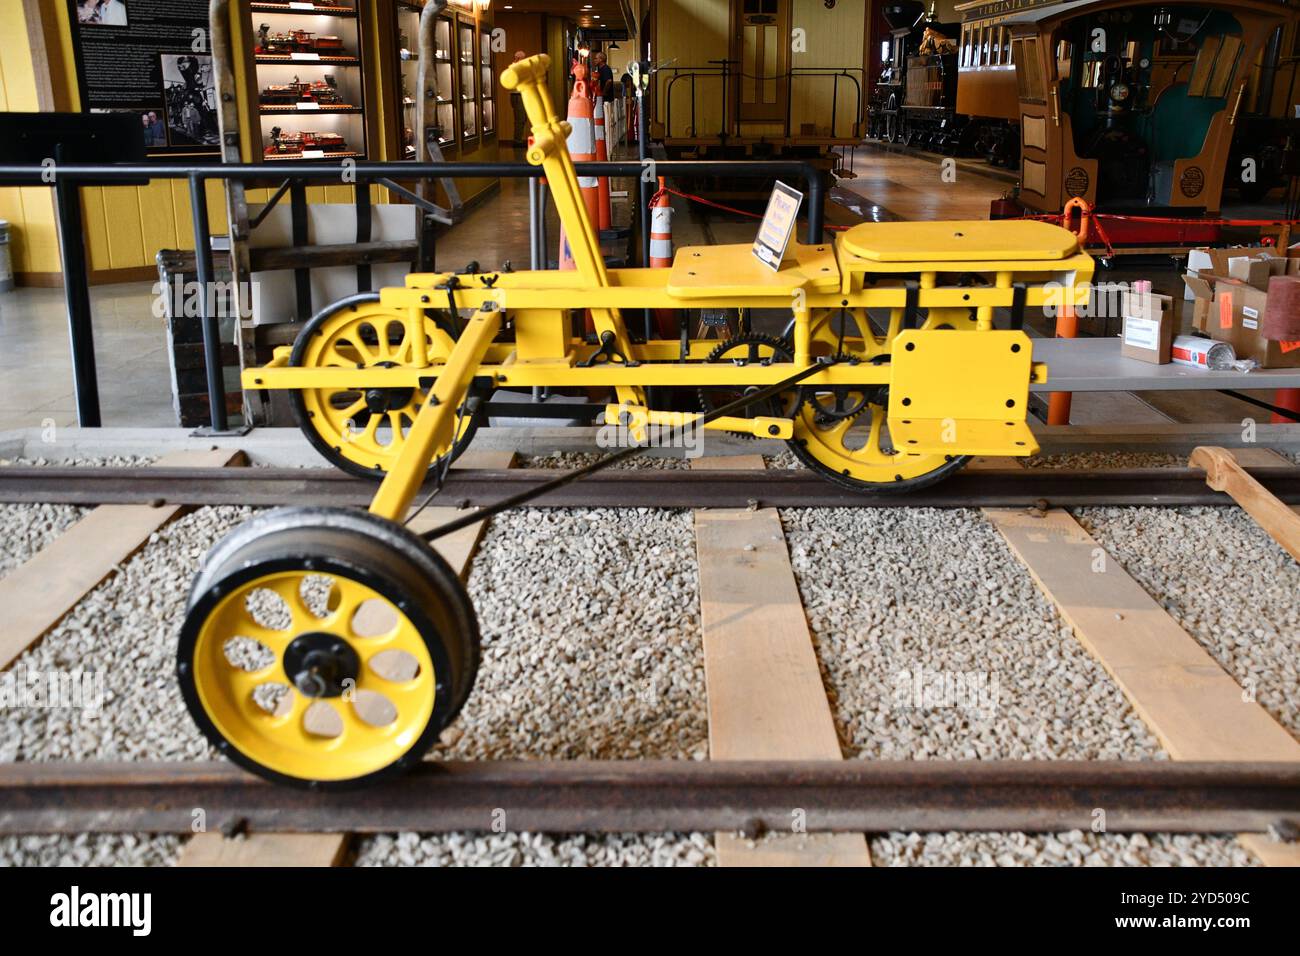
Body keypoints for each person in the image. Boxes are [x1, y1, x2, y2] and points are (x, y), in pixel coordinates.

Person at [509, 50, 528, 148]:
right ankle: (517, 141)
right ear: (517, 58)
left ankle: (519, 139)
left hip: (522, 95)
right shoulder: (513, 69)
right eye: (522, 59)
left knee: (523, 118)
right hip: (517, 96)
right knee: (520, 119)